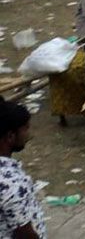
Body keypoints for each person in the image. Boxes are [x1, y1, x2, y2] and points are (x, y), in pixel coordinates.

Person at [0, 100, 46, 239]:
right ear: (10, 136)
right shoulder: (11, 184)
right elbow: (25, 234)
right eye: (25, 128)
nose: (28, 134)